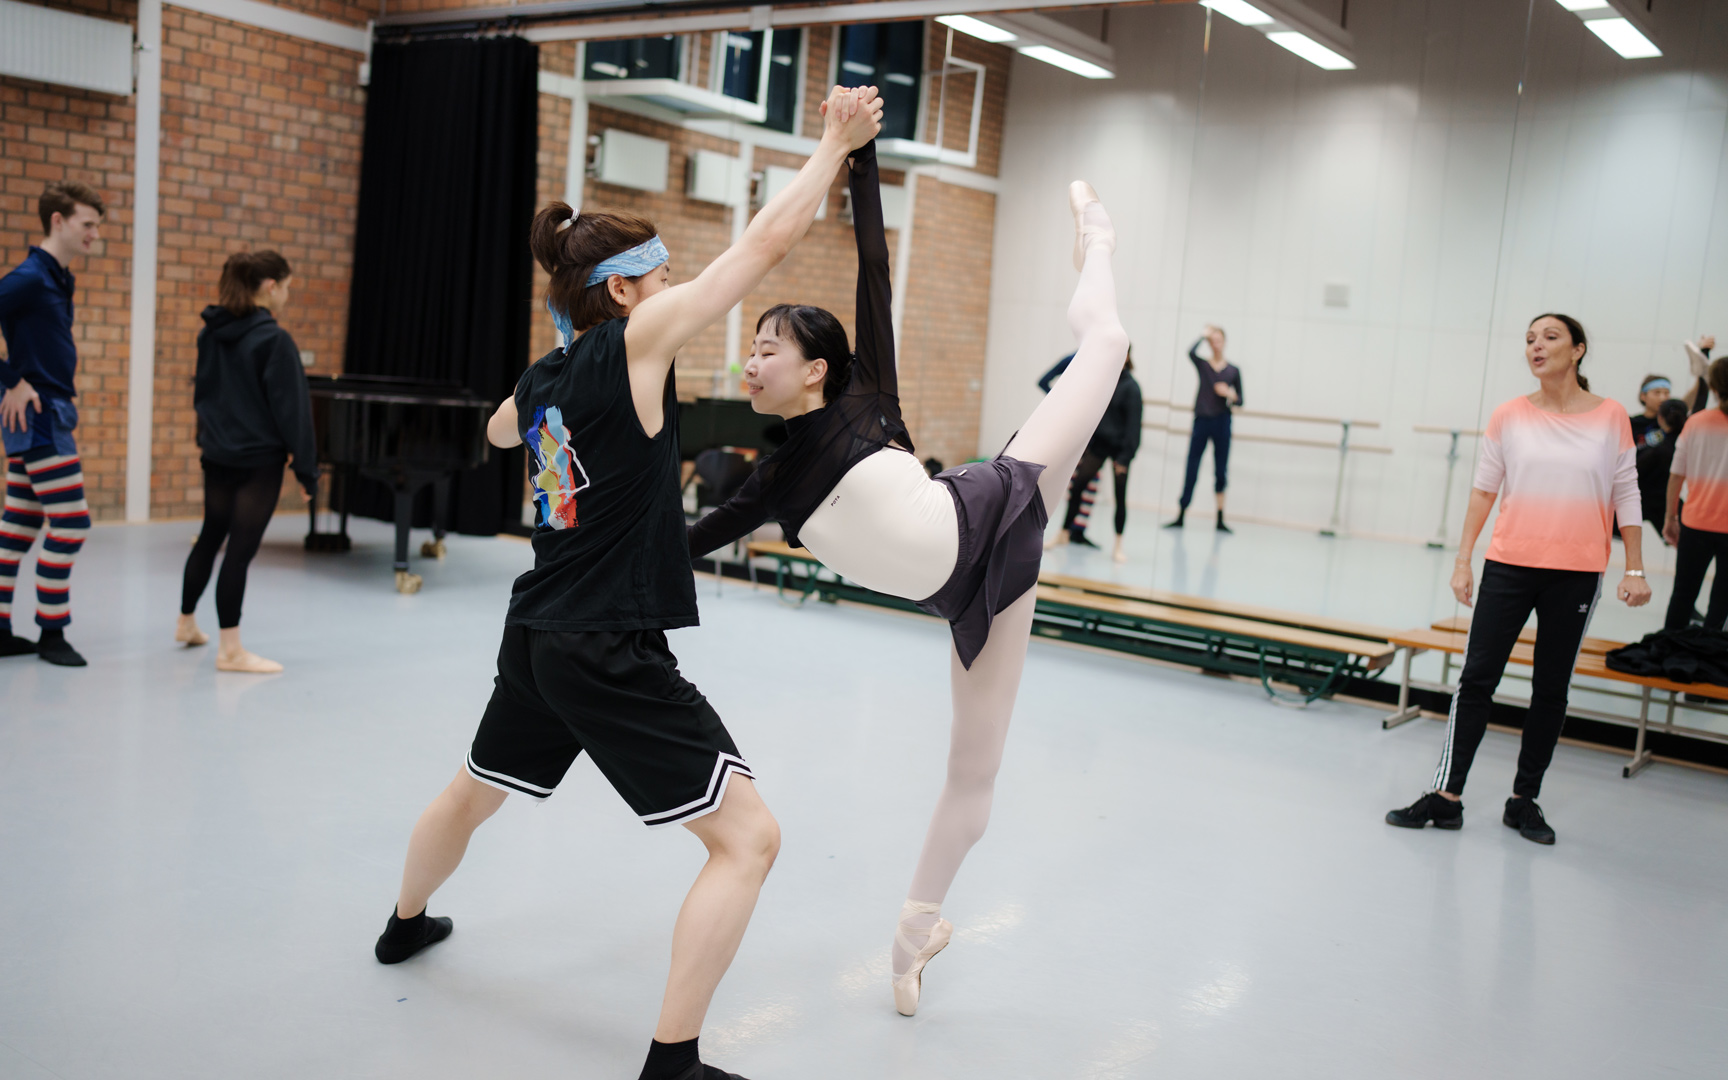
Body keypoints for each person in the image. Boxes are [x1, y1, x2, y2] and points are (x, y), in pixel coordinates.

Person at [375, 86, 883, 1080]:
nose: (679, 288)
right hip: (605, 642)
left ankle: (402, 926)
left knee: (475, 788)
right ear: (621, 294)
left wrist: (548, 403)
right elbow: (763, 249)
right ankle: (673, 1061)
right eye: (662, 276)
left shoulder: (544, 378)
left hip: (537, 633)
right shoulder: (636, 346)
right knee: (749, 841)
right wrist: (829, 144)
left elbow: (494, 433)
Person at [688, 163, 1130, 1016]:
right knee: (975, 776)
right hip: (975, 591)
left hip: (998, 501)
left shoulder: (867, 400)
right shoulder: (770, 480)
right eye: (749, 350)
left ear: (817, 368)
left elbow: (873, 264)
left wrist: (858, 156)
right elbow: (681, 545)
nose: (748, 363)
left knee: (1106, 343)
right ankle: (912, 934)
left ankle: (1098, 241)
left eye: (766, 349)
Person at [1387, 314, 1650, 846]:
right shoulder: (1509, 415)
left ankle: (1523, 800)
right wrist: (1464, 559)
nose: (1537, 346)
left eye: (1550, 337)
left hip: (1577, 573)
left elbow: (1626, 492)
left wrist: (1636, 567)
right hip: (1508, 565)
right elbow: (1484, 490)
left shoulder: (1611, 416)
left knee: (1551, 689)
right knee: (1477, 678)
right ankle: (1446, 795)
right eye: (1530, 339)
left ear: (1577, 350)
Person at [176, 251, 317, 673]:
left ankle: (185, 623)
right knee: (238, 551)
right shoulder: (273, 341)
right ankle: (231, 650)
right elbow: (293, 413)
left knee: (209, 536)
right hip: (257, 463)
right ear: (269, 286)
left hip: (217, 456)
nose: (288, 296)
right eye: (287, 286)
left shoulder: (210, 334)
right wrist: (307, 471)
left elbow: (202, 397)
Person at [0, 181, 103, 667]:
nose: (95, 235)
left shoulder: (58, 277)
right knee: (72, 523)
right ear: (58, 222)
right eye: (88, 225)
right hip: (40, 416)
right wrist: (12, 380)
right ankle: (52, 633)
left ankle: (0, 630)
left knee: (19, 525)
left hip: (50, 412)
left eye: (98, 227)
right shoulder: (28, 277)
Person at [1039, 349, 1142, 562]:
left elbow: (1133, 427)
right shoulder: (1105, 380)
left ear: (1127, 357)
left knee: (1119, 497)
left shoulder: (1131, 388)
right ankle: (1064, 533)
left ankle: (1118, 544)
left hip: (1120, 450)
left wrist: (1124, 458)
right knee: (1077, 487)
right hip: (1100, 445)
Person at [1662, 357, 1728, 630]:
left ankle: (1669, 649)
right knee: (1722, 600)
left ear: (1713, 387)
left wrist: (1670, 517)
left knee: (1683, 593)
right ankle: (1709, 655)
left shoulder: (1696, 423)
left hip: (1695, 523)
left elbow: (1676, 475)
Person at [1166, 324, 1240, 532]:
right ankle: (1181, 514)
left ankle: (1219, 518)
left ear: (1224, 342)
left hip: (1222, 422)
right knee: (1192, 465)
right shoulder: (1204, 366)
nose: (1215, 344)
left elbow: (1240, 399)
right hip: (1202, 420)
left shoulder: (1233, 370)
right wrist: (1202, 335)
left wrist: (1230, 394)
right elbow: (1190, 352)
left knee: (1221, 470)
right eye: (1212, 341)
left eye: (1218, 340)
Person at [1636, 397, 1692, 538]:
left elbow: (1634, 472)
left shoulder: (1658, 451)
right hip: (1667, 503)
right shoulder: (1688, 445)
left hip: (1647, 501)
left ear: (1660, 418)